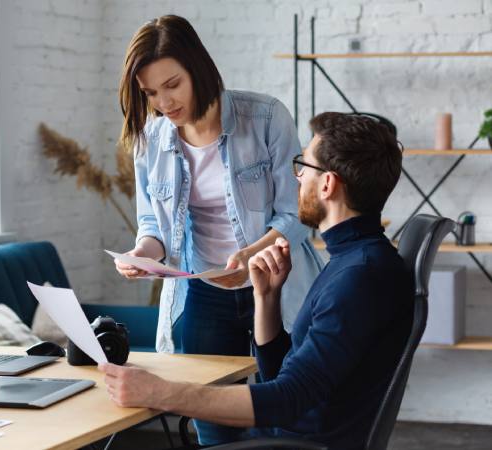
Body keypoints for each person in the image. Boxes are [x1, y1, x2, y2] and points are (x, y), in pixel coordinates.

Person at [101, 112, 412, 449]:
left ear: (327, 184)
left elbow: (286, 400)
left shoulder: (360, 277)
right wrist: (267, 299)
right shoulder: (353, 261)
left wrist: (160, 392)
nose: (297, 178)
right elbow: (284, 374)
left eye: (303, 167)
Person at [113, 15, 323, 444]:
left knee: (283, 414)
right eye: (151, 92)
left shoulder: (264, 117)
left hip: (278, 286)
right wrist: (143, 254)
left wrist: (250, 256)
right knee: (212, 421)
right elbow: (152, 223)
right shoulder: (151, 138)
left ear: (198, 68)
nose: (164, 103)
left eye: (172, 85)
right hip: (204, 292)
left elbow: (297, 214)